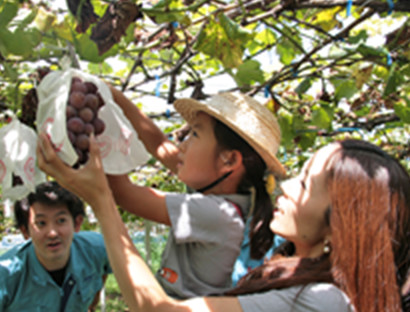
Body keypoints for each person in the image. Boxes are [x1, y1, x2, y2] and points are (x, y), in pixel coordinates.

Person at [37, 136, 410, 311]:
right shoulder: (292, 270)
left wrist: (101, 200)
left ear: (339, 224)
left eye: (307, 181)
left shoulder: (322, 301)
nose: (287, 185)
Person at [104, 90, 287, 298]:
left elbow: (123, 193)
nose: (182, 143)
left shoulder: (215, 214)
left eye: (195, 134)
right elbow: (159, 145)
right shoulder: (220, 193)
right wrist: (114, 96)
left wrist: (103, 131)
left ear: (229, 161)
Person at [0, 181, 112, 312]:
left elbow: (104, 269)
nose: (52, 233)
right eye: (41, 223)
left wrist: (92, 305)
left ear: (77, 223)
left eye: (61, 220)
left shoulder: (97, 248)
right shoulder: (6, 275)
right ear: (25, 231)